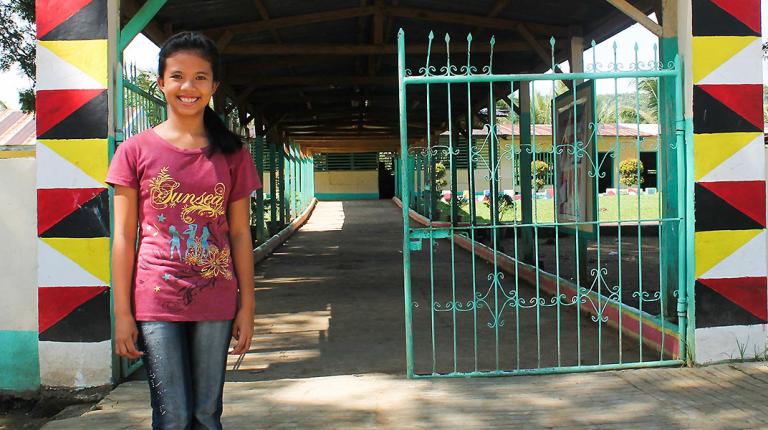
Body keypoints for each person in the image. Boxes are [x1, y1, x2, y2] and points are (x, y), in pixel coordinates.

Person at [106, 31, 262, 429]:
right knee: (172, 416)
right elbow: (123, 237)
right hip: (156, 300)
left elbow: (240, 234)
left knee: (207, 415)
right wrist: (122, 313)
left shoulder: (233, 153)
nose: (188, 87)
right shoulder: (134, 151)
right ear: (161, 82)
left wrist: (247, 306)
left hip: (216, 297)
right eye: (177, 76)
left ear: (214, 86)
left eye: (199, 77)